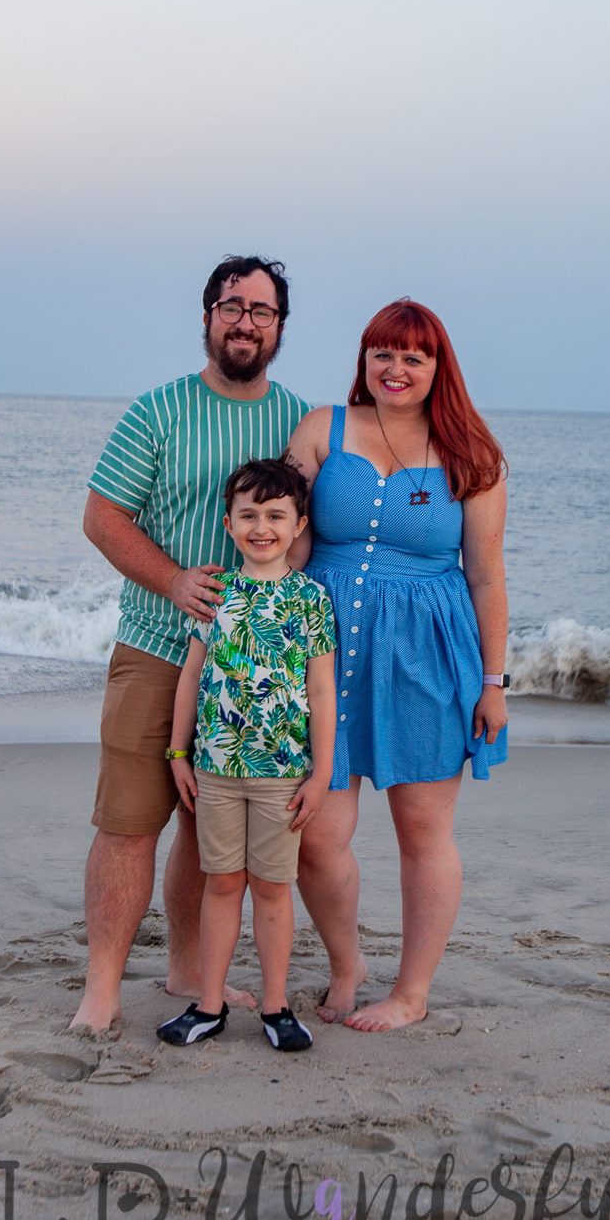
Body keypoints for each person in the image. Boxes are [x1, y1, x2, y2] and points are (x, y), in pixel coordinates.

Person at [70, 256, 310, 1032]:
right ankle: (101, 989)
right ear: (208, 316)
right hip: (158, 648)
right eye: (232, 306)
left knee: (207, 830)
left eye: (262, 310)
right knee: (129, 823)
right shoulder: (159, 411)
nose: (246, 322)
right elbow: (102, 516)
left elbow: (313, 533)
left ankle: (183, 969)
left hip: (252, 674)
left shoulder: (298, 421)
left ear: (279, 327)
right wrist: (173, 579)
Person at [287, 299, 508, 1032]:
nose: (396, 368)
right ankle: (347, 965)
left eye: (414, 356)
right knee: (316, 834)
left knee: (422, 831)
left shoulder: (472, 454)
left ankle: (412, 993)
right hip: (322, 652)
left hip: (426, 654)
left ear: (439, 368)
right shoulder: (323, 428)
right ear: (365, 359)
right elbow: (285, 537)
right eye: (383, 352)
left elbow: (486, 577)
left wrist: (494, 683)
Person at [156, 457, 337, 1051]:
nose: (262, 527)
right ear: (229, 524)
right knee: (222, 883)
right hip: (215, 770)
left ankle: (276, 1006)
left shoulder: (310, 599)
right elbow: (191, 676)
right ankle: (208, 1005)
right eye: (249, 515)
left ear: (299, 524)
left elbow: (321, 690)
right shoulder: (216, 594)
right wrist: (179, 754)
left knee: (273, 888)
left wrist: (322, 772)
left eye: (276, 516)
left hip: (282, 774)